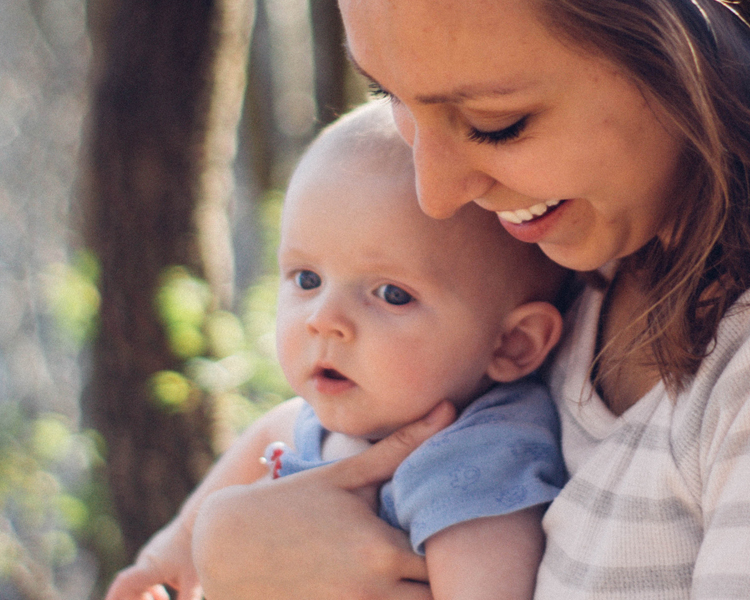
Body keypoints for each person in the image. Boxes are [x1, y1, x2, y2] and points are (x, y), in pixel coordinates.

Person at [148, 0, 750, 597]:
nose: (435, 194)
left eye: (495, 123)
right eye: (393, 97)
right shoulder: (586, 264)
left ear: (693, 48)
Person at [105, 101, 574, 600]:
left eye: (391, 294)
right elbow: (268, 431)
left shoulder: (475, 463)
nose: (323, 319)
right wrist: (172, 552)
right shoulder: (322, 420)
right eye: (307, 279)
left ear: (512, 344)